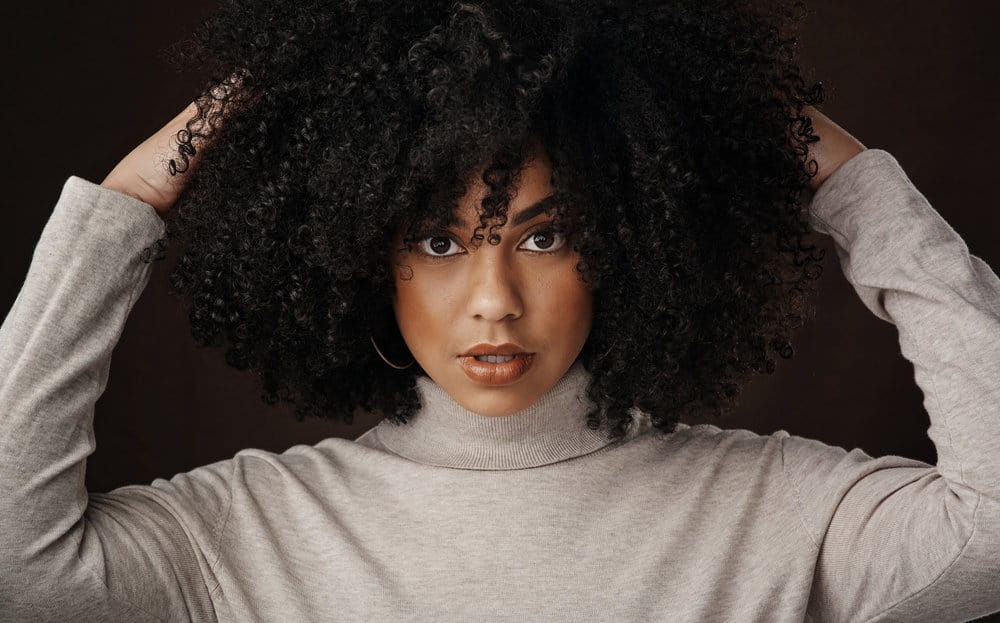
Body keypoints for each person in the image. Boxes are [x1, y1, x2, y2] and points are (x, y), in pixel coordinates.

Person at [1, 1, 998, 621]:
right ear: (361, 262)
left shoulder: (783, 516)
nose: (493, 299)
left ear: (622, 250)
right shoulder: (237, 532)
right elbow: (19, 567)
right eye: (439, 242)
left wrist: (862, 189)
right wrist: (124, 207)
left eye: (546, 236)